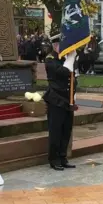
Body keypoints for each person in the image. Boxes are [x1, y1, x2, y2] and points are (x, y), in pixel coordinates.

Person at [43, 34, 77, 171]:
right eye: (59, 45)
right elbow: (63, 72)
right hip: (56, 100)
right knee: (56, 131)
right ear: (55, 46)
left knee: (66, 130)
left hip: (68, 101)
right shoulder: (50, 60)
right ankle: (54, 159)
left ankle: (63, 157)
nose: (61, 48)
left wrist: (74, 95)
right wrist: (70, 59)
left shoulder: (65, 59)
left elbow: (73, 79)